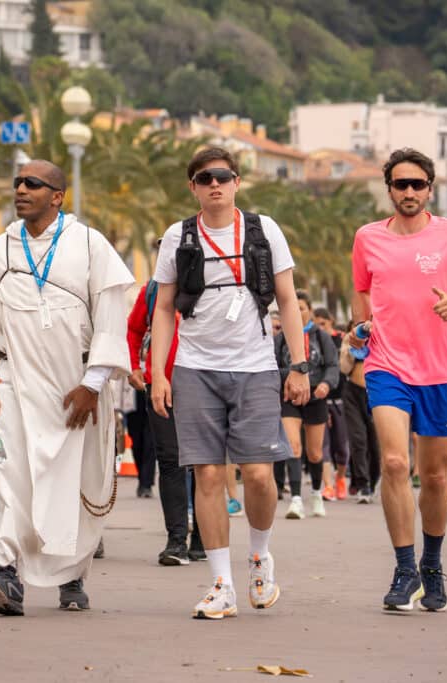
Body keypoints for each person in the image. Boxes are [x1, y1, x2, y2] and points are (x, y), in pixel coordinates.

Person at [0, 159, 134, 616]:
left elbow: (111, 315)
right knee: (1, 471)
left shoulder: (88, 244)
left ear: (57, 196)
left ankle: (73, 574)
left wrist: (94, 383)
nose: (21, 189)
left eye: (33, 184)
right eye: (17, 182)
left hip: (74, 388)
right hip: (14, 381)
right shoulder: (1, 248)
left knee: (73, 481)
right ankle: (3, 570)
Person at [149, 147, 309, 619]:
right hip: (195, 368)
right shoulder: (177, 236)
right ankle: (221, 583)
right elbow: (162, 308)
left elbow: (287, 299)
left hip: (256, 366)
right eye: (204, 178)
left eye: (222, 176)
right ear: (193, 187)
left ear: (237, 181)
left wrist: (298, 366)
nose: (214, 184)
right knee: (209, 474)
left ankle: (260, 555)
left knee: (259, 474)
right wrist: (159, 373)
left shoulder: (264, 230)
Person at [349, 147, 447, 612]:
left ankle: (432, 563)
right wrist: (359, 330)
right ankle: (404, 567)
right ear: (389, 189)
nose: (409, 192)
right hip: (386, 365)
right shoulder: (367, 238)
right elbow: (362, 295)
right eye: (400, 184)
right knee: (394, 463)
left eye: (417, 184)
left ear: (430, 189)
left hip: (439, 372)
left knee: (434, 476)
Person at [127, 274, 206, 565]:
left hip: (204, 387)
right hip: (160, 387)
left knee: (204, 463)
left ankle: (202, 538)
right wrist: (134, 366)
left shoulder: (210, 280)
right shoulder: (153, 290)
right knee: (170, 460)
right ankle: (176, 542)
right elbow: (134, 329)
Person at [275, 291, 339, 519]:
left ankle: (315, 493)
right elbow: (272, 366)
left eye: (301, 308)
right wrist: (290, 376)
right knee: (293, 446)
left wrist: (325, 384)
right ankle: (295, 500)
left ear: (309, 310)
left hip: (315, 397)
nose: (297, 312)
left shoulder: (321, 337)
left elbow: (333, 365)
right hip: (290, 397)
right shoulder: (281, 338)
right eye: (293, 307)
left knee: (314, 453)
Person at [339, 323, 379, 504]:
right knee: (358, 440)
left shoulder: (381, 336)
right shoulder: (350, 338)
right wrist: (352, 348)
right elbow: (344, 368)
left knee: (375, 444)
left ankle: (373, 478)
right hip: (353, 393)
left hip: (376, 394)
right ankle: (363, 484)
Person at [314, 307, 350, 500]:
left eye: (323, 324)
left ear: (331, 322)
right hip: (321, 400)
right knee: (323, 446)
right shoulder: (314, 342)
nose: (320, 328)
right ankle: (328, 486)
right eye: (317, 324)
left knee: (342, 448)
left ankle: (341, 478)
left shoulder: (341, 339)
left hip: (341, 401)